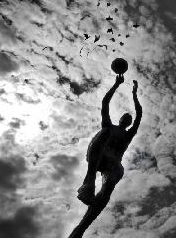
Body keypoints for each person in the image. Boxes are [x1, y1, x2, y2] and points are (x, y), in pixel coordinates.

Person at [69, 75, 142, 238]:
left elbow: (139, 115)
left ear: (129, 123)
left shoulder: (128, 135)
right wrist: (116, 84)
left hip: (113, 165)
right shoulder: (110, 126)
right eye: (125, 116)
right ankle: (88, 184)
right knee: (105, 131)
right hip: (99, 155)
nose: (127, 118)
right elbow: (105, 104)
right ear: (120, 118)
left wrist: (135, 94)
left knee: (107, 188)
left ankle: (79, 230)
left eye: (129, 119)